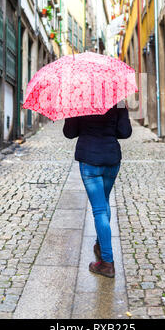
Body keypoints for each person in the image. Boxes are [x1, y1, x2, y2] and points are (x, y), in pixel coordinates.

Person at [63, 102, 132, 278]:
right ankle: (101, 245)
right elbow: (125, 132)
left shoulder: (78, 99)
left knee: (99, 210)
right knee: (104, 203)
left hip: (90, 161)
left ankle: (107, 263)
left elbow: (69, 133)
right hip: (111, 159)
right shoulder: (118, 101)